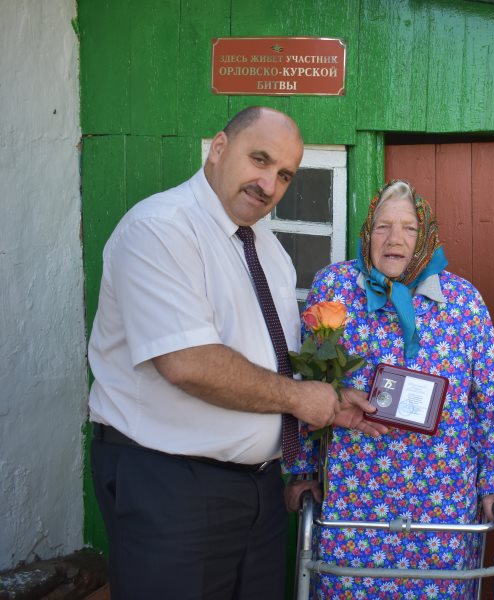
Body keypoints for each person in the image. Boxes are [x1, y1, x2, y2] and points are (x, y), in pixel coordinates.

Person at [88, 106, 380, 600]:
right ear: (219, 148)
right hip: (171, 486)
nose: (269, 184)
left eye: (285, 174)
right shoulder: (160, 229)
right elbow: (188, 362)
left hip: (260, 492)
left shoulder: (270, 251)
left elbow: (273, 361)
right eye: (259, 160)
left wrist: (329, 399)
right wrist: (296, 398)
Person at [285, 179, 494, 598]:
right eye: (382, 227)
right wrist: (302, 470)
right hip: (356, 498)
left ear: (426, 235)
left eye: (409, 228)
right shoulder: (335, 289)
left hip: (442, 504)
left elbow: (491, 401)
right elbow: (310, 382)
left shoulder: (462, 301)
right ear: (366, 233)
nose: (395, 239)